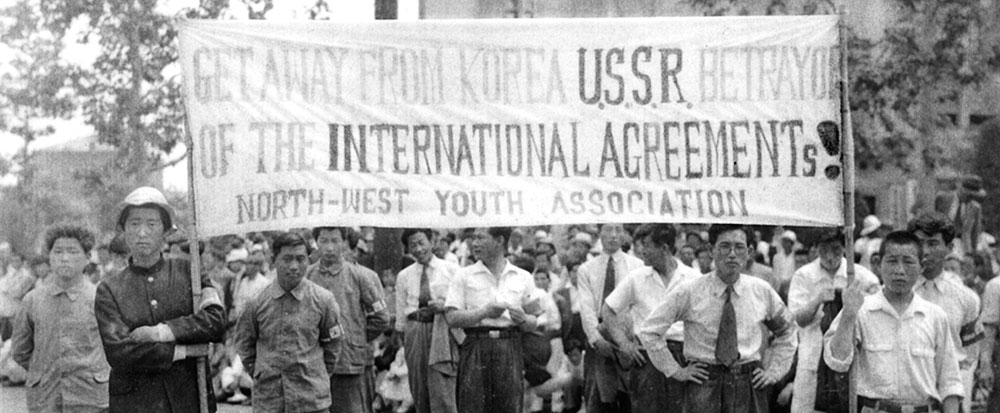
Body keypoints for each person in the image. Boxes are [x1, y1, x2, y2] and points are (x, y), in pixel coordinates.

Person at [94, 187, 227, 413]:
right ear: (124, 231)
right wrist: (185, 351)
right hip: (135, 403)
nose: (142, 232)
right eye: (134, 224)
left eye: (152, 224)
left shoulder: (190, 273)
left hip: (189, 400)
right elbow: (120, 353)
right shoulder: (109, 289)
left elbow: (215, 322)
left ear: (166, 230)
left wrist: (162, 332)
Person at [639, 224, 796, 413]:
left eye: (739, 247)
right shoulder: (690, 291)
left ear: (749, 252)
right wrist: (676, 371)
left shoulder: (761, 291)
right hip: (704, 384)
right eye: (724, 246)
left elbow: (787, 332)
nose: (732, 254)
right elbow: (650, 331)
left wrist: (774, 372)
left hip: (748, 383)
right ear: (711, 250)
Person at [824, 231, 962, 413]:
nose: (899, 270)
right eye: (892, 261)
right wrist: (848, 315)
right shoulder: (860, 310)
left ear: (922, 266)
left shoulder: (935, 316)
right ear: (878, 265)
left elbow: (950, 380)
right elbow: (837, 361)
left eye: (908, 261)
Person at [234, 232, 343, 413]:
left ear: (308, 260)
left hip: (311, 400)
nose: (294, 266)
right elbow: (244, 344)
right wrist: (263, 372)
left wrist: (315, 374)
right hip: (270, 401)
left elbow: (333, 345)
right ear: (273, 260)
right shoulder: (257, 302)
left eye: (300, 259)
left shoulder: (323, 300)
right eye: (287, 259)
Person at [10, 225, 111, 412]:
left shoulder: (101, 299)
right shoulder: (32, 300)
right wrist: (45, 368)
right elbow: (20, 350)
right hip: (46, 397)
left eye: (73, 252)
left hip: (89, 398)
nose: (64, 258)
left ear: (88, 257)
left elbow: (114, 347)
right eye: (58, 252)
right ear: (49, 256)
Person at [603, 223, 701, 412]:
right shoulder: (636, 278)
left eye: (646, 245)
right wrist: (625, 344)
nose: (641, 251)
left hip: (685, 356)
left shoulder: (694, 278)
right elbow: (607, 311)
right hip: (647, 361)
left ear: (664, 247)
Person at [444, 226, 538, 413]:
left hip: (509, 346)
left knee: (509, 406)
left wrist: (522, 319)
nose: (475, 243)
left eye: (481, 238)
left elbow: (534, 321)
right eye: (473, 238)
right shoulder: (463, 275)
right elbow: (452, 317)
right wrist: (484, 312)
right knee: (473, 405)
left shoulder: (522, 276)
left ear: (500, 241)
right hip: (475, 346)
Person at [787, 231, 880, 413]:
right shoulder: (803, 276)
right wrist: (817, 300)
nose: (830, 256)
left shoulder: (860, 275)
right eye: (824, 250)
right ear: (816, 249)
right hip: (812, 357)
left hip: (849, 357)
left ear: (845, 248)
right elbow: (797, 319)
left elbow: (877, 303)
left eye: (836, 250)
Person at [307, 226, 390, 413]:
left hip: (348, 360)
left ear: (344, 243)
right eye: (324, 241)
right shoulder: (307, 276)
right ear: (316, 243)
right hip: (314, 361)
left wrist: (356, 337)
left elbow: (381, 318)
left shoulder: (361, 276)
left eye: (335, 241)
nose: (329, 247)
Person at [908, 213, 984, 413]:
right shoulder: (897, 293)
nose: (925, 251)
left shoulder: (966, 298)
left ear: (949, 249)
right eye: (920, 243)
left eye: (933, 243)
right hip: (908, 393)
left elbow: (969, 353)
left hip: (948, 397)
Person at [577, 223, 645, 412]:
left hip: (627, 336)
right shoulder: (586, 269)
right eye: (608, 230)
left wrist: (627, 339)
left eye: (618, 230)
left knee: (630, 398)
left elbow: (639, 305)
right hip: (598, 337)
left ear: (624, 234)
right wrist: (596, 339)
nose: (613, 235)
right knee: (597, 398)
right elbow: (587, 308)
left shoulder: (637, 266)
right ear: (599, 234)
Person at [394, 228, 460, 413]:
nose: (418, 248)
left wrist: (445, 305)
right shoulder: (404, 275)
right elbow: (400, 314)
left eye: (421, 242)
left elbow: (463, 303)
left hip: (441, 330)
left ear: (432, 242)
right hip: (415, 329)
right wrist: (404, 337)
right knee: (418, 384)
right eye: (412, 245)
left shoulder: (451, 269)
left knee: (442, 384)